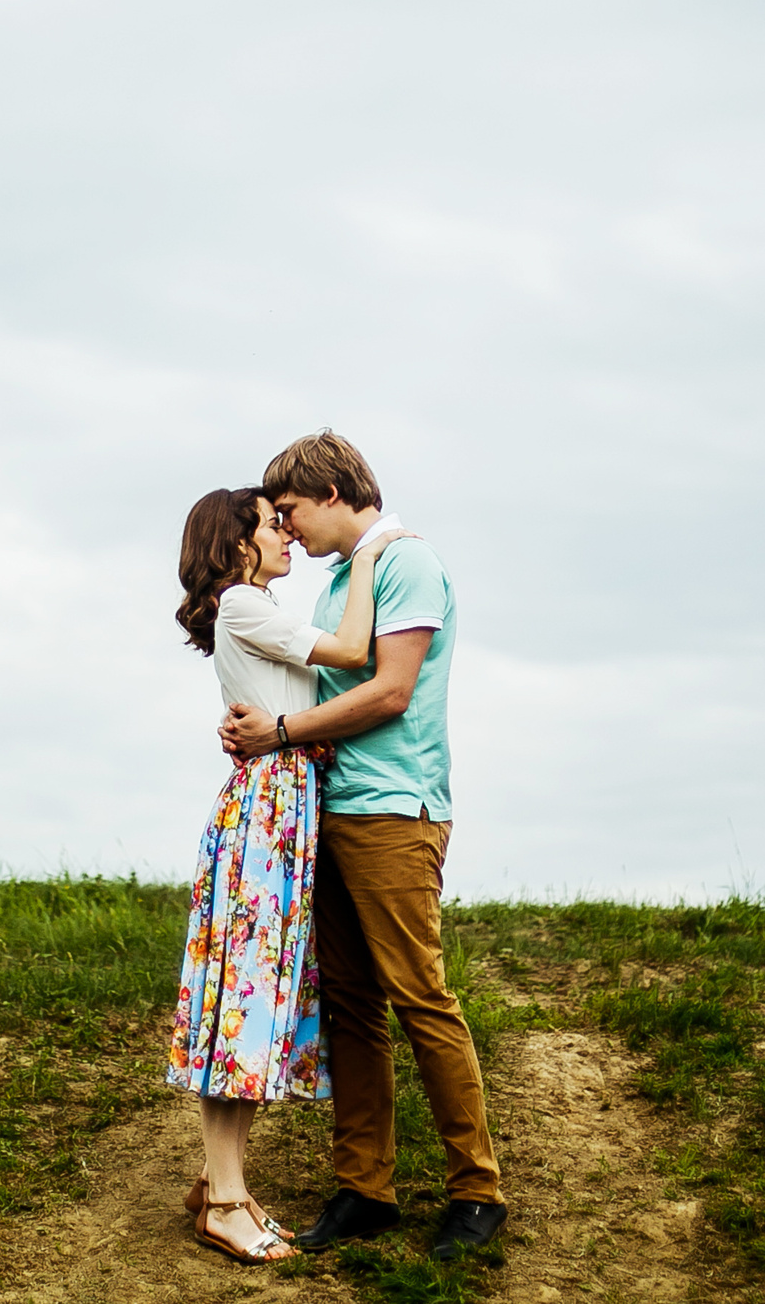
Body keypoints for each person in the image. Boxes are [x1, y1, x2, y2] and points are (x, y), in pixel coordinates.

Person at [219, 432, 509, 1262]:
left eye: (290, 510)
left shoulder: (406, 562)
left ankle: (477, 1194)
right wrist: (251, 718)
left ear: (333, 493)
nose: (286, 527)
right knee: (350, 1005)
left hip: (392, 809)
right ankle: (365, 1190)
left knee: (420, 997)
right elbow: (314, 678)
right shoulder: (341, 581)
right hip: (330, 809)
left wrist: (279, 730)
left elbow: (390, 691)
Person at [168, 485, 408, 1265]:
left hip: (281, 808)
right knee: (244, 1004)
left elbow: (289, 698)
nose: (287, 537)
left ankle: (221, 1185)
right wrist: (368, 556)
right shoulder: (242, 601)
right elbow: (352, 651)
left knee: (256, 1002)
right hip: (267, 817)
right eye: (272, 526)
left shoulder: (250, 608)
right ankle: (223, 1202)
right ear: (236, 543)